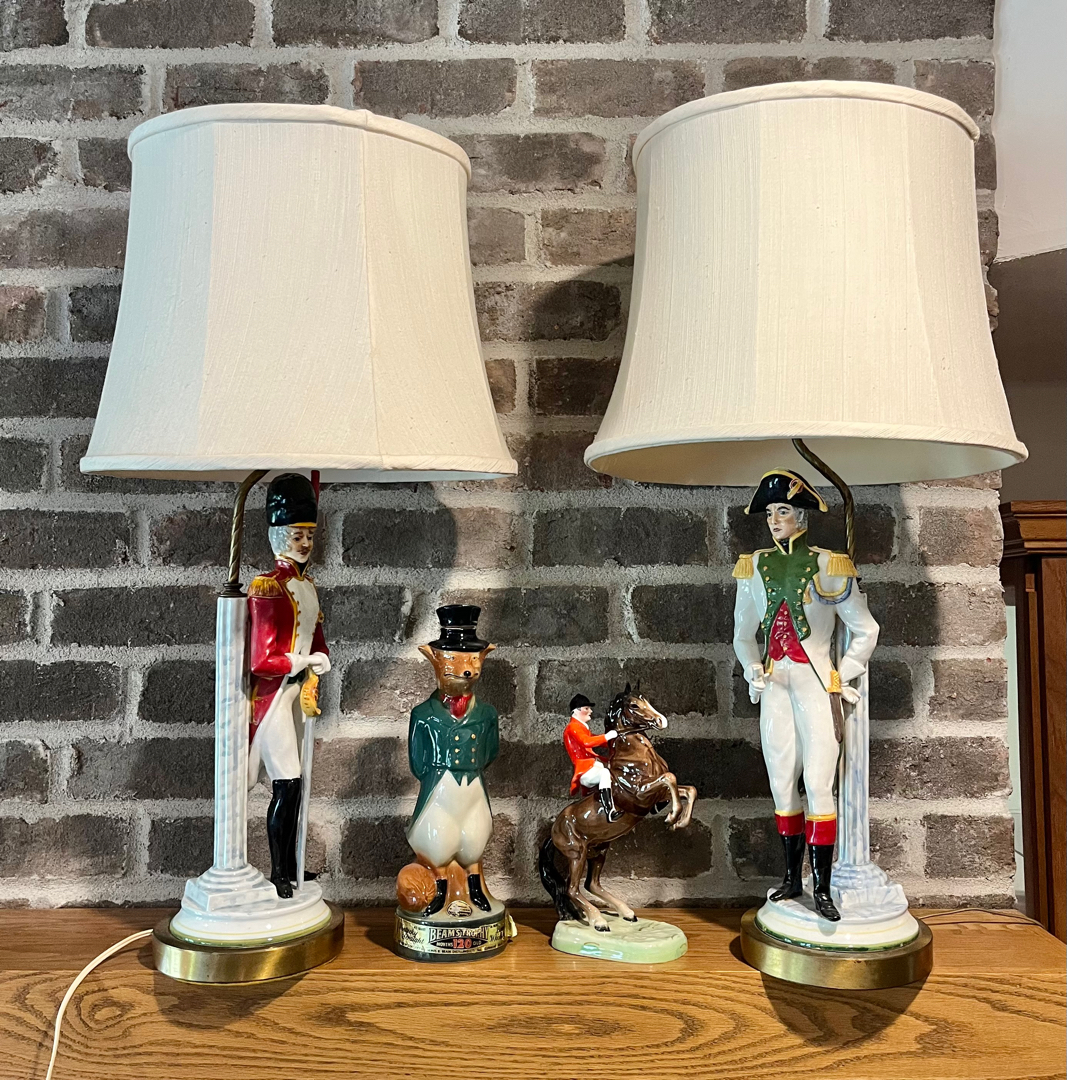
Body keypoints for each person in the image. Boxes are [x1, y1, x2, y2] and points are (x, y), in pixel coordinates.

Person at [732, 469, 879, 921]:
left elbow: (865, 630)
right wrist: (751, 666)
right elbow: (743, 635)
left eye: (783, 511)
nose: (775, 520)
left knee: (818, 783)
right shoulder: (752, 567)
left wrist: (842, 675)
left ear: (802, 516)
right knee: (781, 783)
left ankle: (823, 889)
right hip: (775, 684)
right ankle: (792, 878)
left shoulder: (830, 565)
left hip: (815, 682)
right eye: (770, 513)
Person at [246, 473, 331, 899]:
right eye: (297, 535)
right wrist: (301, 660)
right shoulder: (268, 588)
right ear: (279, 535)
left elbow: (315, 635)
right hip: (274, 699)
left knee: (296, 787)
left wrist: (322, 656)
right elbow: (262, 660)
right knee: (288, 783)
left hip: (299, 695)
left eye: (309, 536)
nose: (305, 544)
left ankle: (293, 863)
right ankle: (279, 871)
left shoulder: (307, 586)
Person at [563, 694, 620, 822]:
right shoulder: (573, 728)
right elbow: (587, 742)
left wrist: (614, 742)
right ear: (576, 711)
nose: (590, 711)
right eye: (587, 708)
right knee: (604, 773)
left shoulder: (582, 727)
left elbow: (595, 739)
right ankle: (610, 811)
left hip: (593, 765)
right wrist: (607, 736)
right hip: (585, 770)